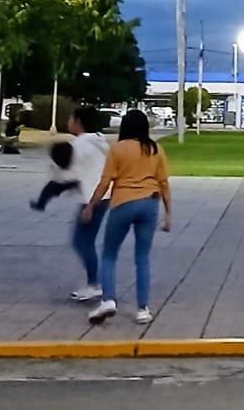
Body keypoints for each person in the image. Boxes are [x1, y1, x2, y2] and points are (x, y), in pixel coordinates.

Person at [83, 109, 172, 325]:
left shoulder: (118, 149)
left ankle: (108, 299)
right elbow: (163, 183)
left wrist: (91, 206)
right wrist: (168, 213)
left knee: (109, 254)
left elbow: (105, 182)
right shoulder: (155, 149)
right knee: (142, 257)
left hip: (123, 203)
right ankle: (143, 309)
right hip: (150, 204)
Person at [64, 107, 113, 301]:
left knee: (81, 241)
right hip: (103, 195)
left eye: (70, 117)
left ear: (78, 121)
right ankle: (94, 282)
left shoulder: (81, 143)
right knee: (86, 240)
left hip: (91, 198)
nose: (69, 121)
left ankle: (94, 283)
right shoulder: (100, 140)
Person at [31, 140, 79, 212]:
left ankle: (41, 204)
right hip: (72, 178)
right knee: (52, 186)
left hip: (68, 178)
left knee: (50, 187)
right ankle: (41, 204)